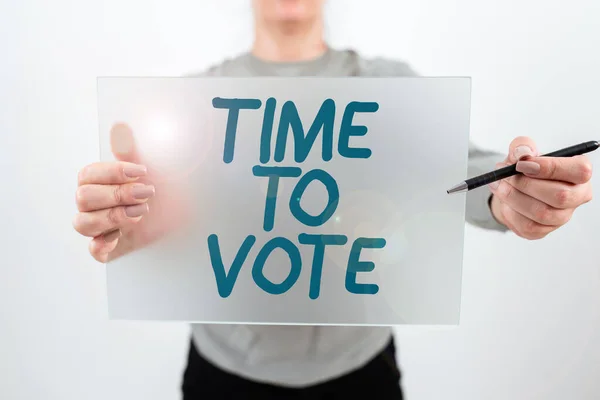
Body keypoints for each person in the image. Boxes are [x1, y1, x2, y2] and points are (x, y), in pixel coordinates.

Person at [72, 0, 595, 398]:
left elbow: (463, 172)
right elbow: (147, 216)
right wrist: (121, 220)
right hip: (222, 373)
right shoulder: (188, 104)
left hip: (360, 372)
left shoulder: (388, 86)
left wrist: (506, 196)